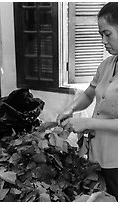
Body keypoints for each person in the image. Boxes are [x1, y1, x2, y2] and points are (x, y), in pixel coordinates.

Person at [57, 2, 118, 201]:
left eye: (107, 34)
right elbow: (89, 93)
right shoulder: (108, 64)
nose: (103, 40)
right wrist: (70, 109)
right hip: (97, 154)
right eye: (101, 34)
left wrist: (87, 123)